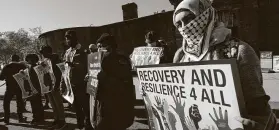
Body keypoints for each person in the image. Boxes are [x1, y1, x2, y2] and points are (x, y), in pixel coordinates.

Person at [172, 0, 277, 130]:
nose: (185, 27)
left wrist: (255, 124)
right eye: (179, 24)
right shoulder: (181, 56)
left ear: (207, 15)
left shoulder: (238, 51)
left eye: (189, 19)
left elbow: (258, 106)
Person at [95, 33, 136, 130]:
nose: (99, 50)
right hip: (105, 104)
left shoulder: (120, 59)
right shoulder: (102, 59)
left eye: (100, 46)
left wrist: (102, 77)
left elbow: (123, 82)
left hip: (116, 104)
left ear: (108, 46)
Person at [61, 30, 91, 129]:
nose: (67, 40)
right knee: (76, 107)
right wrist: (62, 83)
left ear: (75, 38)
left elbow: (86, 66)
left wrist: (72, 64)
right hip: (71, 83)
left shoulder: (83, 50)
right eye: (66, 39)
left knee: (85, 106)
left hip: (81, 83)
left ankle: (89, 125)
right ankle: (80, 125)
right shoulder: (67, 52)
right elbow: (64, 69)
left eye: (69, 38)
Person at [39, 45, 66, 129]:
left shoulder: (56, 59)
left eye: (43, 52)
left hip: (56, 85)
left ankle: (62, 121)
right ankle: (56, 119)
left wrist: (58, 85)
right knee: (53, 104)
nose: (42, 54)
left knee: (58, 104)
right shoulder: (46, 60)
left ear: (48, 52)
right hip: (49, 85)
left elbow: (61, 73)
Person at [0, 54, 27, 124]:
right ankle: (20, 118)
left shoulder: (7, 66)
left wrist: (7, 76)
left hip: (10, 87)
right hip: (20, 87)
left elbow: (1, 77)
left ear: (11, 59)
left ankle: (6, 118)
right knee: (19, 102)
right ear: (18, 59)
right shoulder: (22, 66)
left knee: (6, 102)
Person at [25, 54, 45, 125]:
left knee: (35, 104)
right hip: (36, 88)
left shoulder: (33, 67)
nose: (27, 60)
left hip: (34, 88)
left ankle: (36, 118)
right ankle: (40, 117)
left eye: (28, 59)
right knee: (38, 103)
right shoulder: (33, 67)